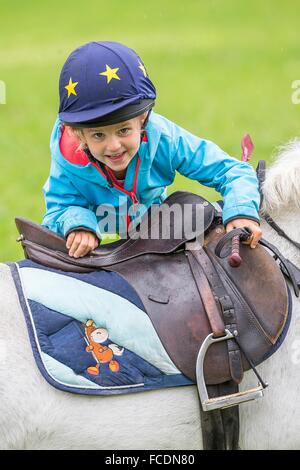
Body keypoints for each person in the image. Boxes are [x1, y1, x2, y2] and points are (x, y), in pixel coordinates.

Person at [42, 41, 262, 258]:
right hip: (102, 246)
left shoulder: (165, 139)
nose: (114, 146)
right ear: (77, 133)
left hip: (155, 228)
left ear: (142, 117)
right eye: (98, 135)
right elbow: (59, 209)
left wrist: (241, 211)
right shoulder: (68, 158)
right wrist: (80, 226)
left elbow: (232, 171)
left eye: (124, 130)